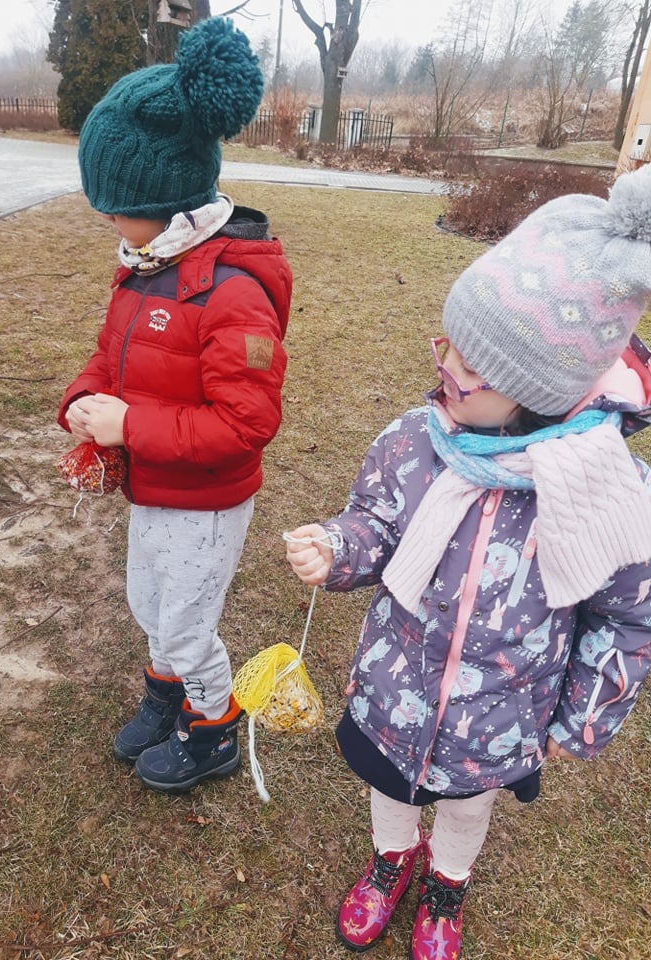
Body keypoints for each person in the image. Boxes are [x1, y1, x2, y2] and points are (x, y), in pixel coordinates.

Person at [286, 163, 651, 959]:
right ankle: (391, 862)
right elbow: (375, 522)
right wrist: (339, 546)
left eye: (475, 364)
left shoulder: (600, 489)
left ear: (539, 393)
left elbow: (625, 615)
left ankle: (446, 883)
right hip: (397, 680)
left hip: (502, 709)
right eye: (449, 340)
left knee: (466, 805)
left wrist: (582, 715)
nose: (445, 365)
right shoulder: (413, 442)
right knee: (388, 783)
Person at [58, 17, 291, 794]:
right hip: (153, 483)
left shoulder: (232, 294)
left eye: (114, 208)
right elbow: (110, 355)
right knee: (149, 599)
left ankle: (214, 726)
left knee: (187, 624)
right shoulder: (145, 266)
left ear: (160, 198)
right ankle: (166, 696)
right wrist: (85, 402)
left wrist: (132, 426)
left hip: (206, 497)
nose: (107, 225)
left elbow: (245, 424)